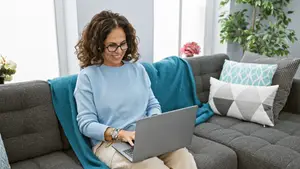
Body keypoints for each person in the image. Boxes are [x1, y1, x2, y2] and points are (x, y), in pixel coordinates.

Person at [74, 10, 197, 169]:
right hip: (110, 143)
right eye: (112, 45)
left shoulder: (138, 70)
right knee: (151, 165)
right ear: (98, 45)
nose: (119, 50)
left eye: (122, 43)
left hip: (144, 137)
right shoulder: (87, 77)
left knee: (183, 156)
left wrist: (154, 122)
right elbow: (86, 124)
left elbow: (152, 104)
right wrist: (121, 134)